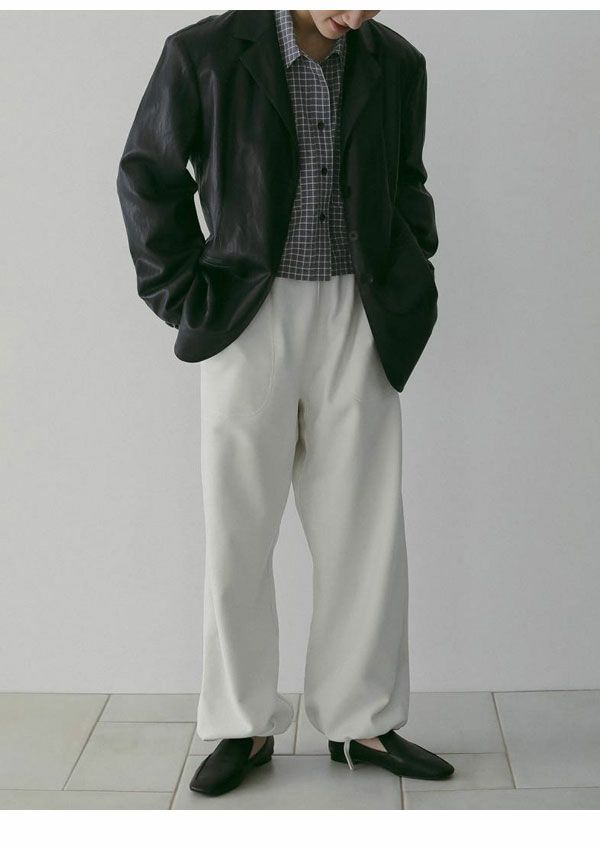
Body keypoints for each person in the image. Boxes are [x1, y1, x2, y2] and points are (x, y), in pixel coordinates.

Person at [117, 9, 453, 797]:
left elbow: (407, 181)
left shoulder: (397, 63)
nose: (358, 13)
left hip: (359, 310)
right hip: (245, 313)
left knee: (365, 529)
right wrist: (185, 294)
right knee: (239, 528)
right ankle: (242, 722)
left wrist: (411, 270)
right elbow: (148, 175)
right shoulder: (204, 52)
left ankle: (361, 718)